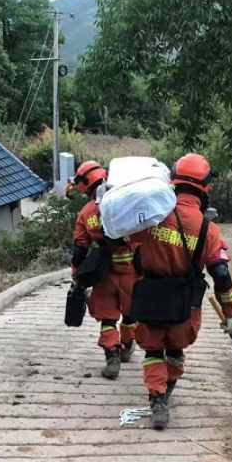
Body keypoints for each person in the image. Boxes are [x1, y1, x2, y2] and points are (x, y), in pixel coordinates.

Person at [130, 153, 232, 429]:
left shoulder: (152, 215)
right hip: (184, 303)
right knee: (175, 347)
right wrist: (231, 314)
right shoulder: (208, 229)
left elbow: (129, 244)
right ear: (204, 188)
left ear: (173, 182)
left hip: (150, 296)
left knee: (153, 350)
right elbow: (221, 274)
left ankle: (157, 400)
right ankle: (167, 391)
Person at [71, 161, 139, 379]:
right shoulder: (128, 203)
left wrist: (76, 275)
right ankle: (127, 347)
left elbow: (80, 249)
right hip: (131, 272)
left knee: (108, 318)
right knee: (130, 314)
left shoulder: (86, 213)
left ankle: (112, 358)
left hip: (103, 273)